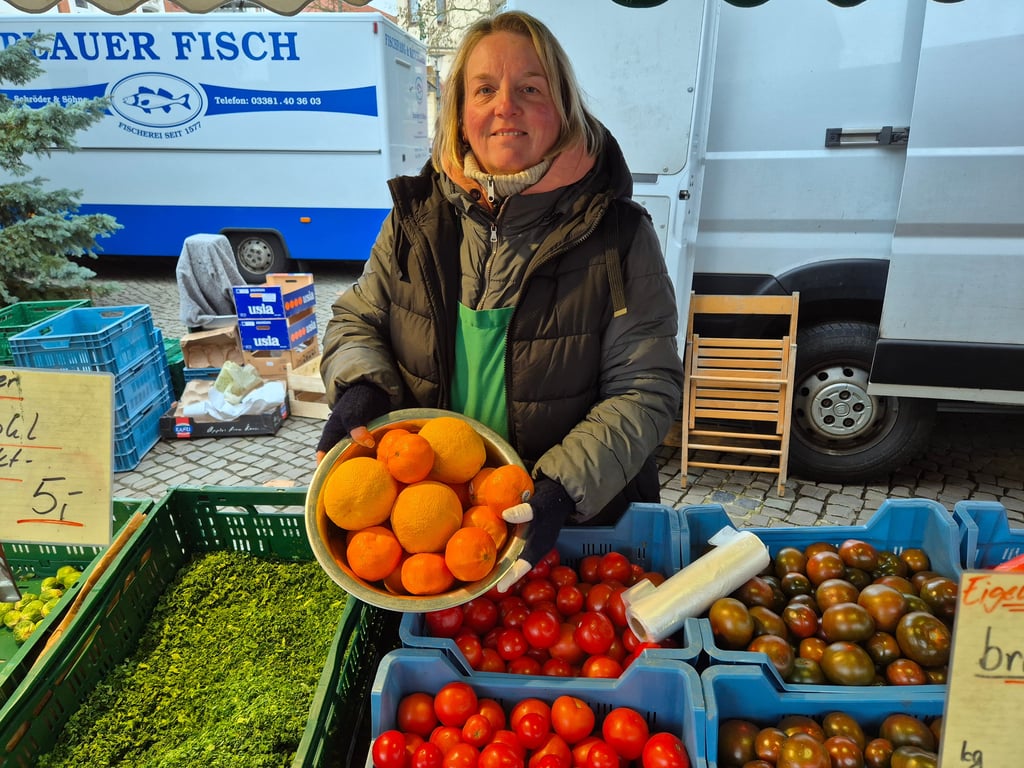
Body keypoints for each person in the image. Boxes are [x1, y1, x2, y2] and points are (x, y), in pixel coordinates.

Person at [318, 10, 683, 589]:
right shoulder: (415, 219)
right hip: (430, 530)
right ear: (462, 114)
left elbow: (647, 386)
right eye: (484, 88)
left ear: (562, 109)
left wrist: (563, 487)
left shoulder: (620, 236)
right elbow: (357, 317)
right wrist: (362, 384)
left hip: (566, 527)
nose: (504, 105)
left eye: (530, 88)